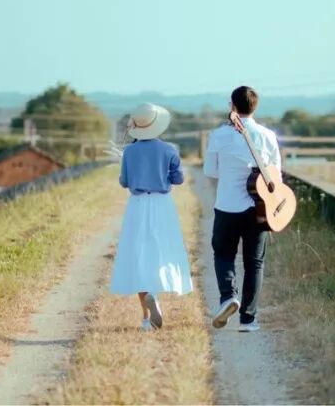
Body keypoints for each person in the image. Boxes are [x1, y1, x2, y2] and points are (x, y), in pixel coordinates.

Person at [202, 85, 281, 332]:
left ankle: (228, 296)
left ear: (233, 106)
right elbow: (276, 175)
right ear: (255, 106)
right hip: (258, 208)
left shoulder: (219, 135)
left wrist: (230, 173)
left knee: (223, 254)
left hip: (227, 205)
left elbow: (210, 171)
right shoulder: (268, 135)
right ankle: (248, 319)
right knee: (254, 263)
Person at [109, 102, 194, 331]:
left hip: (137, 205)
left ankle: (146, 317)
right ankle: (155, 292)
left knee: (139, 254)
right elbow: (178, 179)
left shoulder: (129, 151)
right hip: (161, 204)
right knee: (161, 251)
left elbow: (124, 181)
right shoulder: (169, 150)